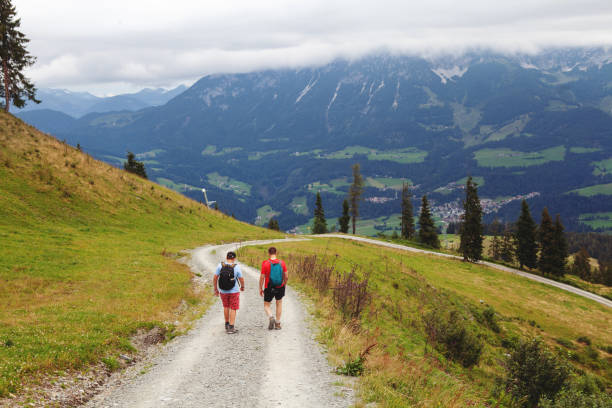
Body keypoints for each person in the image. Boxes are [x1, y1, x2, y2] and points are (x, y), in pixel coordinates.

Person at [213, 251, 245, 334]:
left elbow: (215, 278)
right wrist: (242, 286)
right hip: (234, 291)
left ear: (226, 257)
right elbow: (241, 279)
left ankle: (226, 324)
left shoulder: (220, 265)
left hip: (223, 291)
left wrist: (215, 289)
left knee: (226, 306)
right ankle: (231, 327)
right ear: (234, 258)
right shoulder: (236, 267)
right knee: (233, 308)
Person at [259, 247, 288, 330]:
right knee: (279, 303)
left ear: (269, 253)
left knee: (266, 305)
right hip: (280, 286)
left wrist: (260, 288)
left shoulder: (265, 263)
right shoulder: (282, 263)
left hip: (268, 286)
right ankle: (278, 324)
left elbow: (262, 277)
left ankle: (271, 317)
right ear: (276, 253)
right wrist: (284, 284)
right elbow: (286, 276)